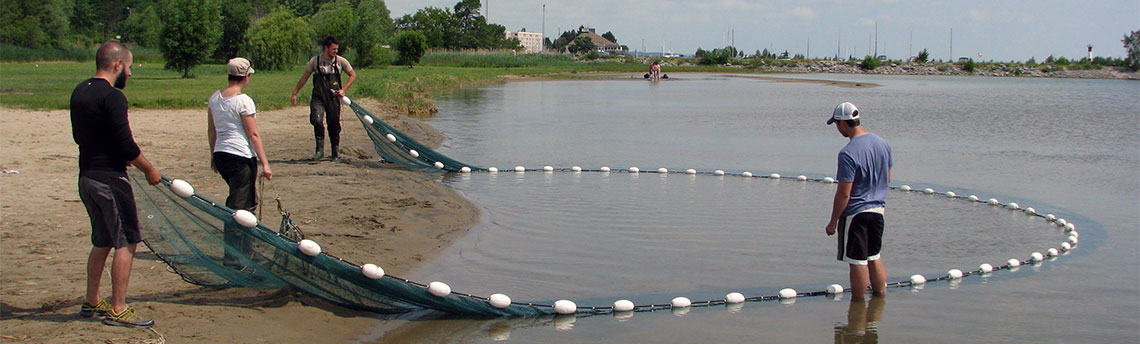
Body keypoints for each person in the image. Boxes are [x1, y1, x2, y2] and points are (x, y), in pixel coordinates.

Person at [71, 41, 161, 328]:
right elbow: (126, 145)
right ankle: (118, 308)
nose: (131, 74)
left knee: (103, 239)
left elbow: (79, 136)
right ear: (117, 64)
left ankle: (91, 300)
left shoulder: (80, 91)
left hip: (86, 178)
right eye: (130, 66)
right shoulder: (113, 97)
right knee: (128, 240)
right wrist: (149, 169)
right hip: (110, 180)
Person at [824, 102, 893, 301]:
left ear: (843, 124)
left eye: (837, 124)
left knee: (857, 262)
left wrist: (833, 222)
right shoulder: (882, 143)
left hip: (856, 214)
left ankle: (857, 306)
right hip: (878, 210)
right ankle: (879, 300)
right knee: (874, 256)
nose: (837, 129)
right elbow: (888, 177)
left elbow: (844, 194)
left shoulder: (848, 153)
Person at [209, 57, 272, 269]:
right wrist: (265, 163)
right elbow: (253, 134)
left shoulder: (215, 98)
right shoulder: (243, 101)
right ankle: (235, 256)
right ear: (246, 77)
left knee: (242, 202)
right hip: (240, 157)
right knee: (240, 207)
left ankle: (244, 250)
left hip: (222, 155)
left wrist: (213, 155)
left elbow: (212, 130)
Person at [290, 36, 356, 162]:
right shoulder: (315, 61)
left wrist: (344, 90)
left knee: (334, 125)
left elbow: (352, 75)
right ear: (326, 48)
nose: (335, 51)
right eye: (333, 49)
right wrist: (295, 93)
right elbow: (304, 78)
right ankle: (319, 151)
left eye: (337, 49)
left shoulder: (341, 61)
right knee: (316, 120)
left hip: (333, 98)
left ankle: (335, 153)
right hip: (318, 97)